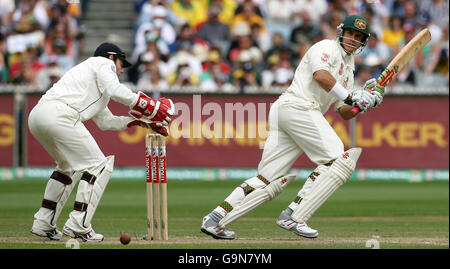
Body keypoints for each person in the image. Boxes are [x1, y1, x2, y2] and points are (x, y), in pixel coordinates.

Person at [201, 15, 385, 239]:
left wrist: (362, 105)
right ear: (341, 32)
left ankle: (215, 218)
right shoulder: (326, 47)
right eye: (351, 34)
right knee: (338, 160)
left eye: (358, 37)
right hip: (298, 106)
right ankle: (294, 215)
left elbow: (343, 111)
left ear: (363, 42)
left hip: (290, 112)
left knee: (266, 179)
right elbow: (321, 76)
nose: (353, 40)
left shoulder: (349, 66)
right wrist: (352, 96)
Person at [29, 42, 175, 242]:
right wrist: (150, 105)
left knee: (68, 167)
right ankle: (79, 225)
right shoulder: (101, 63)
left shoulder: (91, 81)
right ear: (111, 57)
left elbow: (106, 122)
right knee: (99, 164)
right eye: (121, 63)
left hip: (38, 116)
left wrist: (139, 121)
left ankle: (44, 223)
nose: (122, 70)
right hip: (60, 115)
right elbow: (115, 89)